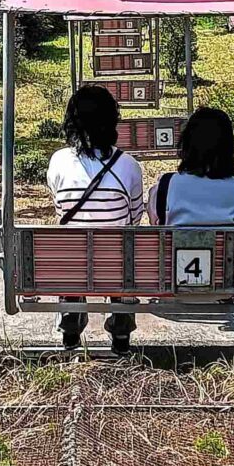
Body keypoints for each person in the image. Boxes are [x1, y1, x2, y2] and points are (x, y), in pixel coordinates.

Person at [47, 84, 145, 353]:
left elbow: (59, 207)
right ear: (112, 121)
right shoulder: (129, 165)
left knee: (72, 252)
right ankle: (121, 334)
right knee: (124, 253)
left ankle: (70, 329)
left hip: (73, 264)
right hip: (118, 264)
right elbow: (135, 216)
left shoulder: (58, 161)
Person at [149, 106, 234, 229]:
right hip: (231, 246)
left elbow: (155, 221)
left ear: (186, 145)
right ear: (229, 147)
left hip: (175, 246)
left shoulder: (165, 187)